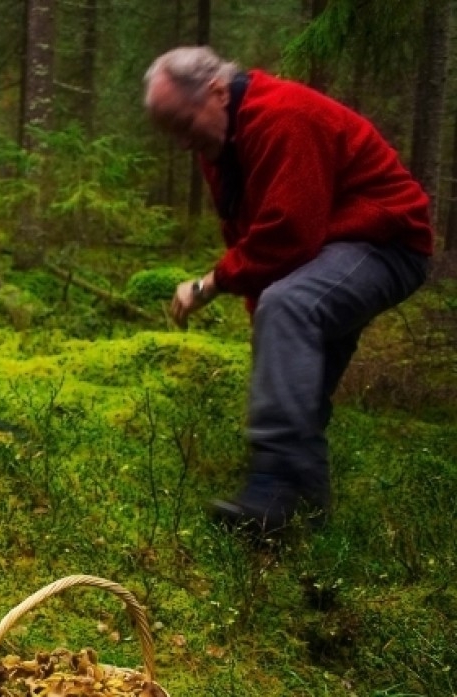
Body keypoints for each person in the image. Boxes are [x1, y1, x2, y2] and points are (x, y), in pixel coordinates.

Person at [142, 46, 433, 534]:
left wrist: (209, 283)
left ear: (216, 91)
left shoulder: (283, 116)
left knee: (291, 304)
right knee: (302, 374)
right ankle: (305, 515)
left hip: (387, 241)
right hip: (330, 248)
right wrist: (266, 317)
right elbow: (248, 237)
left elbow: (288, 235)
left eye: (185, 126)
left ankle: (273, 480)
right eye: (173, 133)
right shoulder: (218, 145)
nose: (183, 144)